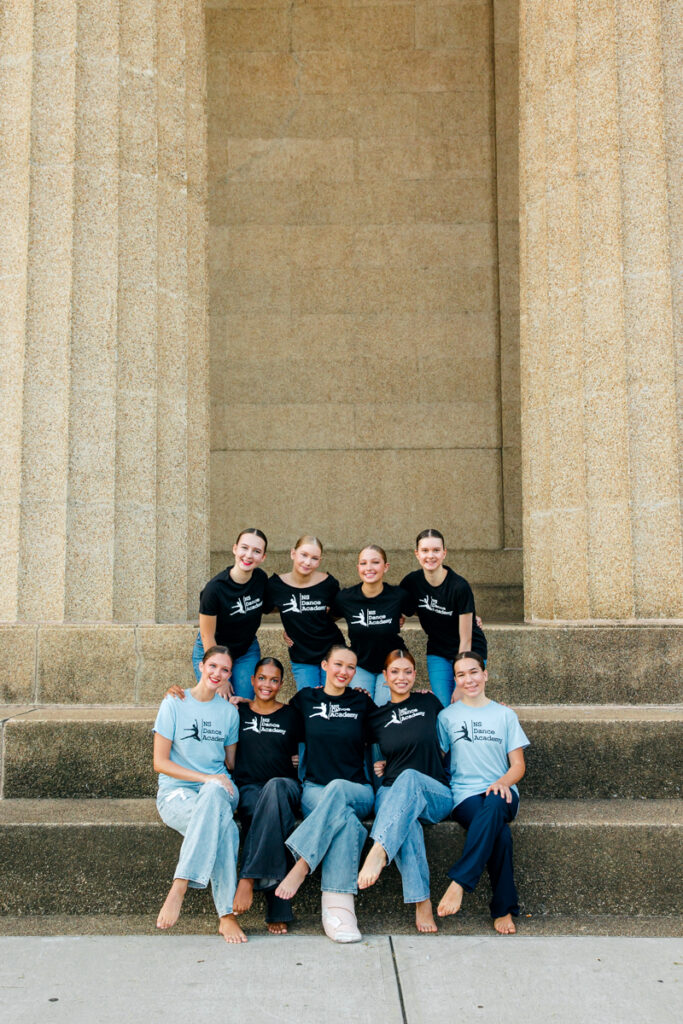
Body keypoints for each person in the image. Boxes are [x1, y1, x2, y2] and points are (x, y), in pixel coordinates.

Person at [274, 644, 374, 943]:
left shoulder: (361, 702)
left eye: (350, 667)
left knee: (339, 789)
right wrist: (240, 703)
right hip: (314, 791)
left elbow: (388, 728)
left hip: (358, 790)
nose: (344, 671)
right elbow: (277, 721)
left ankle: (302, 864)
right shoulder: (306, 699)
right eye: (338, 664)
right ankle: (340, 913)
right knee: (346, 823)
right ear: (325, 665)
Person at [153, 645, 246, 943]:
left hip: (221, 790)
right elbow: (160, 762)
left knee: (215, 793)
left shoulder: (229, 713)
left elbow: (230, 763)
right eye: (213, 666)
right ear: (202, 666)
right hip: (177, 793)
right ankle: (226, 915)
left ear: (231, 675)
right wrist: (207, 778)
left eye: (226, 669)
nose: (218, 674)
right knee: (227, 829)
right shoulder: (174, 702)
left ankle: (180, 885)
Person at [357, 649, 453, 933]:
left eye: (407, 671)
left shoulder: (430, 701)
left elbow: (456, 726)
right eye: (395, 672)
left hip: (434, 793)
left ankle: (378, 850)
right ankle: (421, 901)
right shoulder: (376, 717)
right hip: (392, 791)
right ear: (385, 677)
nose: (402, 677)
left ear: (414, 675)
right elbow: (344, 736)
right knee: (404, 819)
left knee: (410, 778)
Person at [436, 652, 529, 934]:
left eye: (474, 672)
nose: (469, 679)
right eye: (461, 675)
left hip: (502, 791)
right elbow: (437, 760)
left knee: (496, 803)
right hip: (465, 796)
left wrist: (502, 782)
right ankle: (503, 909)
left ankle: (460, 883)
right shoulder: (446, 716)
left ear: (485, 674)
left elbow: (518, 766)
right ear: (455, 680)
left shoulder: (505, 715)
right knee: (499, 833)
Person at [230, 657, 302, 935]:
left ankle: (248, 878)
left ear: (281, 684)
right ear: (252, 680)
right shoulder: (238, 711)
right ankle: (278, 908)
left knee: (273, 790)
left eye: (274, 680)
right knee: (269, 812)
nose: (267, 684)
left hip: (286, 786)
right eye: (262, 678)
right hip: (248, 787)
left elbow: (313, 743)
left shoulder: (291, 714)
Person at [400, 528, 488, 706]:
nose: (430, 556)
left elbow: (466, 639)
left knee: (465, 702)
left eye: (436, 550)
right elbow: (399, 605)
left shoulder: (459, 586)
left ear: (444, 553)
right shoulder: (412, 582)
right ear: (417, 554)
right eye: (425, 551)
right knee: (443, 704)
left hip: (469, 649)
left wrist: (460, 682)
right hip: (438, 650)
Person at [192, 528, 271, 697]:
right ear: (235, 549)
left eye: (256, 551)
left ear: (263, 557)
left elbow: (274, 604)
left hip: (245, 650)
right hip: (213, 649)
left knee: (242, 701)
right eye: (244, 548)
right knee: (218, 699)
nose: (249, 555)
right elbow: (207, 636)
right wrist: (220, 676)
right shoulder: (214, 589)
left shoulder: (260, 579)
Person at [333, 545, 411, 705]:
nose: (368, 568)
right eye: (363, 563)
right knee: (361, 707)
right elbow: (325, 619)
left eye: (375, 562)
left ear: (386, 567)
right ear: (358, 567)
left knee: (383, 707)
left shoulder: (398, 596)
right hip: (361, 664)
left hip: (392, 664)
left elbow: (421, 612)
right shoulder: (345, 598)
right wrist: (292, 630)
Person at [267, 535, 344, 690]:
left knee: (333, 701)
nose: (308, 562)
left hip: (332, 653)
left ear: (320, 560)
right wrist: (292, 626)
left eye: (314, 558)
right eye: (304, 555)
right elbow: (268, 609)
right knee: (310, 704)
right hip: (302, 656)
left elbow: (337, 612)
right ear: (293, 553)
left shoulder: (328, 584)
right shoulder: (275, 585)